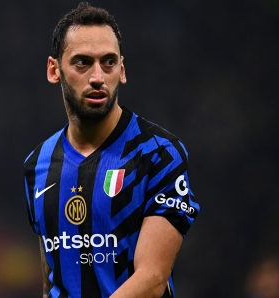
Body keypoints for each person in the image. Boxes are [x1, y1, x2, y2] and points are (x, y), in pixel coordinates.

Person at [23, 2, 200, 297]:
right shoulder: (36, 164)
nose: (97, 77)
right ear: (54, 70)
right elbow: (51, 281)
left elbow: (153, 279)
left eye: (108, 62)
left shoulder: (159, 154)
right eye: (82, 62)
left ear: (122, 69)